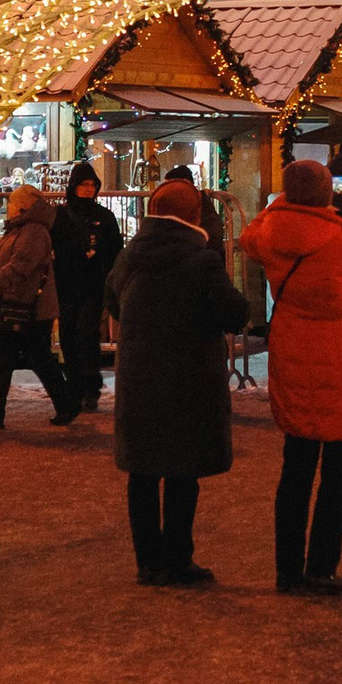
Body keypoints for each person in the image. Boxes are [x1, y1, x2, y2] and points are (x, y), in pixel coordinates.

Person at [240, 159, 342, 596]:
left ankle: (288, 571)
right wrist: (329, 216)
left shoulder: (270, 233)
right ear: (326, 193)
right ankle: (321, 567)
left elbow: (249, 236)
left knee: (296, 469)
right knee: (337, 473)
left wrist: (283, 204)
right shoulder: (340, 238)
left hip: (293, 352)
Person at [105, 177, 250, 586]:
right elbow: (233, 313)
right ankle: (177, 558)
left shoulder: (130, 255)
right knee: (183, 470)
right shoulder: (201, 260)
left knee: (143, 472)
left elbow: (112, 301)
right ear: (193, 215)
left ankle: (148, 562)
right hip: (188, 377)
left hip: (139, 376)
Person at [0, 185, 81, 429]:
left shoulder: (33, 231)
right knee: (17, 360)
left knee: (21, 359)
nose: (7, 206)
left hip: (26, 307)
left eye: (11, 202)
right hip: (17, 304)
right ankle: (64, 404)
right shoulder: (21, 229)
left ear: (23, 206)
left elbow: (21, 264)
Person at [52, 166, 126, 412]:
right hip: (66, 284)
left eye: (92, 185)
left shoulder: (104, 217)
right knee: (67, 337)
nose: (88, 189)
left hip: (92, 285)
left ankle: (89, 388)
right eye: (84, 184)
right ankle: (73, 386)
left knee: (86, 335)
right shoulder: (60, 216)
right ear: (74, 186)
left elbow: (115, 249)